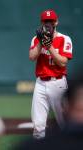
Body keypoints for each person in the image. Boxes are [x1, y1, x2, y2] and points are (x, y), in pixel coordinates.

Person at [29, 9, 73, 139]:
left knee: (64, 122)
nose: (48, 23)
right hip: (41, 83)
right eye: (45, 21)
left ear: (56, 22)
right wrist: (42, 42)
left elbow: (63, 62)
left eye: (51, 21)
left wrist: (50, 47)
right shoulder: (36, 39)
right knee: (38, 125)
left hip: (58, 83)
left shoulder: (64, 39)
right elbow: (32, 57)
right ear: (41, 22)